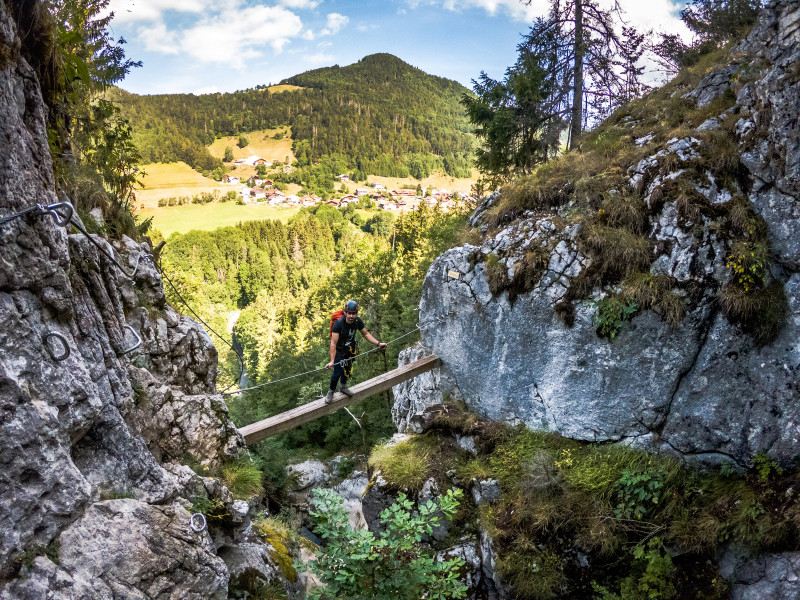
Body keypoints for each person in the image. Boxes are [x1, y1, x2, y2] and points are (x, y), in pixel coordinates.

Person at [324, 300, 386, 404]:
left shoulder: (357, 321)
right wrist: (331, 361)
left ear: (356, 314)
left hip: (350, 350)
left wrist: (378, 343)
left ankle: (343, 387)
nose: (352, 316)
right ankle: (331, 391)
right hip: (339, 351)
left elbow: (365, 334)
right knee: (337, 373)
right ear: (345, 313)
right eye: (350, 313)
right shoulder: (338, 324)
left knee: (347, 370)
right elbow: (333, 343)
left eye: (354, 314)